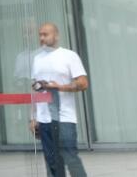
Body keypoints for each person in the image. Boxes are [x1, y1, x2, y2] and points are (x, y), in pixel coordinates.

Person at [30, 22, 88, 177]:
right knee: (52, 162)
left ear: (56, 35)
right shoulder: (37, 59)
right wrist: (33, 118)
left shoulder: (69, 56)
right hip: (44, 119)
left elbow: (83, 83)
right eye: (40, 34)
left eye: (45, 34)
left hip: (64, 118)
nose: (42, 38)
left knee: (70, 158)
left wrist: (59, 87)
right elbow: (35, 90)